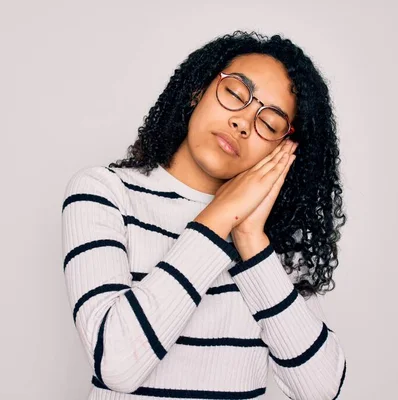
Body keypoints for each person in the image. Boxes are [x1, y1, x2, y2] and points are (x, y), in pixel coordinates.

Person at [61, 30, 347, 399]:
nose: (243, 122)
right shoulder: (104, 192)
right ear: (199, 88)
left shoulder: (274, 239)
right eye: (234, 93)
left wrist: (251, 240)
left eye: (270, 123)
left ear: (284, 148)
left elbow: (320, 390)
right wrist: (219, 216)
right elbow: (115, 361)